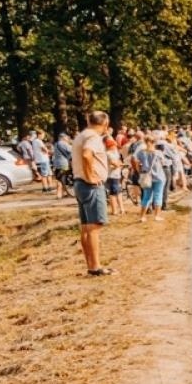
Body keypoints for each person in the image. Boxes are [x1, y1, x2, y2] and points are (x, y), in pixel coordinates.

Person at [70, 111, 113, 275]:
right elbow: (87, 155)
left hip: (80, 183)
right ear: (105, 124)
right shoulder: (93, 138)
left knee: (86, 227)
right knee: (95, 226)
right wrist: (91, 176)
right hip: (90, 185)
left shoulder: (81, 135)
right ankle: (96, 266)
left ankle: (91, 264)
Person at [52, 132, 74, 198]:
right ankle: (59, 195)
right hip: (63, 163)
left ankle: (64, 193)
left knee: (61, 178)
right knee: (61, 178)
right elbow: (71, 149)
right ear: (63, 137)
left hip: (58, 163)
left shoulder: (56, 144)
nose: (67, 139)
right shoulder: (62, 143)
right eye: (67, 137)